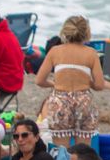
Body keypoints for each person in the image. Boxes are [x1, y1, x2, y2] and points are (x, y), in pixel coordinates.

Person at [34, 16, 105, 144]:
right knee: (82, 151)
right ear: (86, 33)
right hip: (84, 102)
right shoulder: (91, 53)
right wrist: (87, 81)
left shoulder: (55, 51)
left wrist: (54, 84)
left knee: (61, 151)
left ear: (65, 31)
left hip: (60, 101)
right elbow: (100, 85)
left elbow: (39, 80)